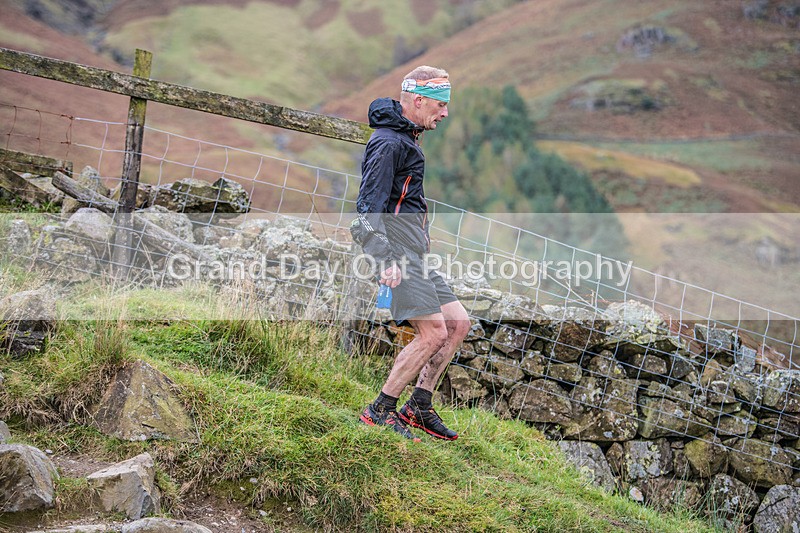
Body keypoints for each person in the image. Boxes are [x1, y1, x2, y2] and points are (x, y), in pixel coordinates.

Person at [353, 66, 471, 441]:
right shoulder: (389, 143)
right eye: (440, 104)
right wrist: (385, 259)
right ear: (417, 101)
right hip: (398, 254)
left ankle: (418, 406)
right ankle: (379, 411)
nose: (446, 113)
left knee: (457, 324)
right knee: (432, 333)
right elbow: (367, 210)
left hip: (413, 252)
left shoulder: (408, 137)